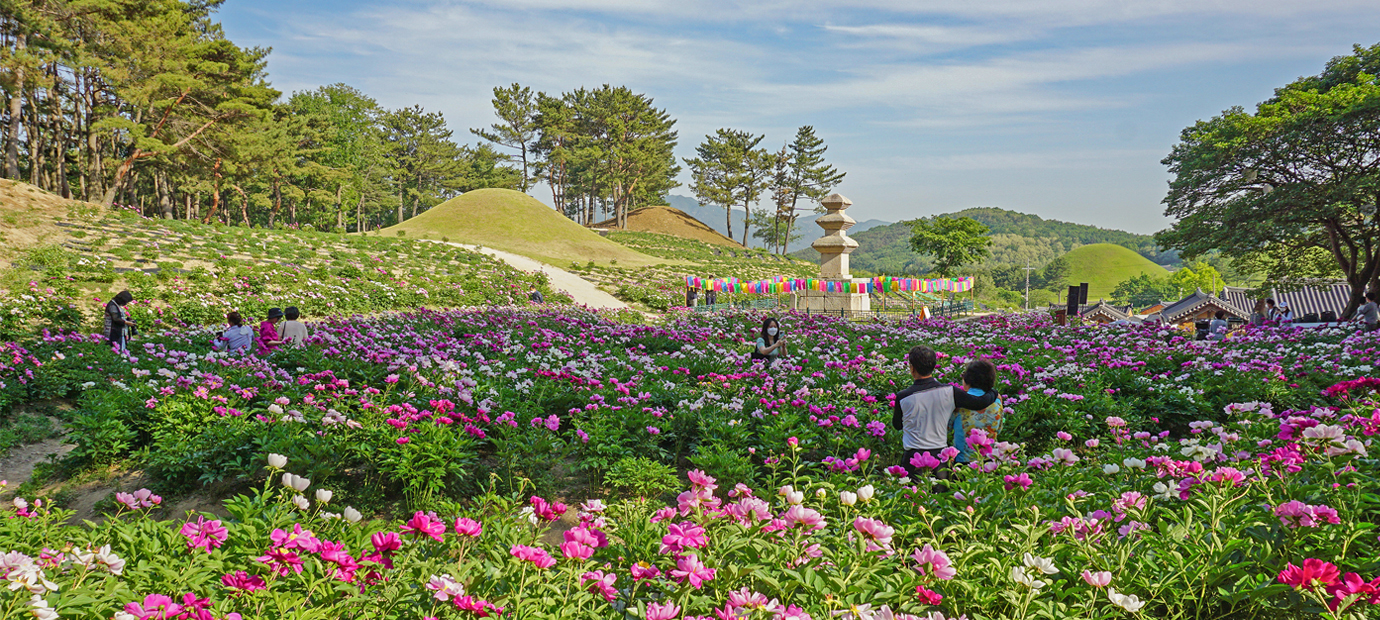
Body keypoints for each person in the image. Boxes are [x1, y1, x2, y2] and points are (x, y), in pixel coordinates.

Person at [891, 345, 998, 479]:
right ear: (934, 366)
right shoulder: (950, 392)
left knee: (912, 497)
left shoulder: (903, 396)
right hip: (940, 459)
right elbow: (980, 402)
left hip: (913, 458)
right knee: (940, 497)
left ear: (912, 368)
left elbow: (897, 425)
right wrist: (994, 392)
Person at [950, 359, 1003, 463]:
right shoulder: (997, 401)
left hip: (963, 462)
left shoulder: (958, 404)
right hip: (990, 461)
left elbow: (947, 428)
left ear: (968, 379)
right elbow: (999, 429)